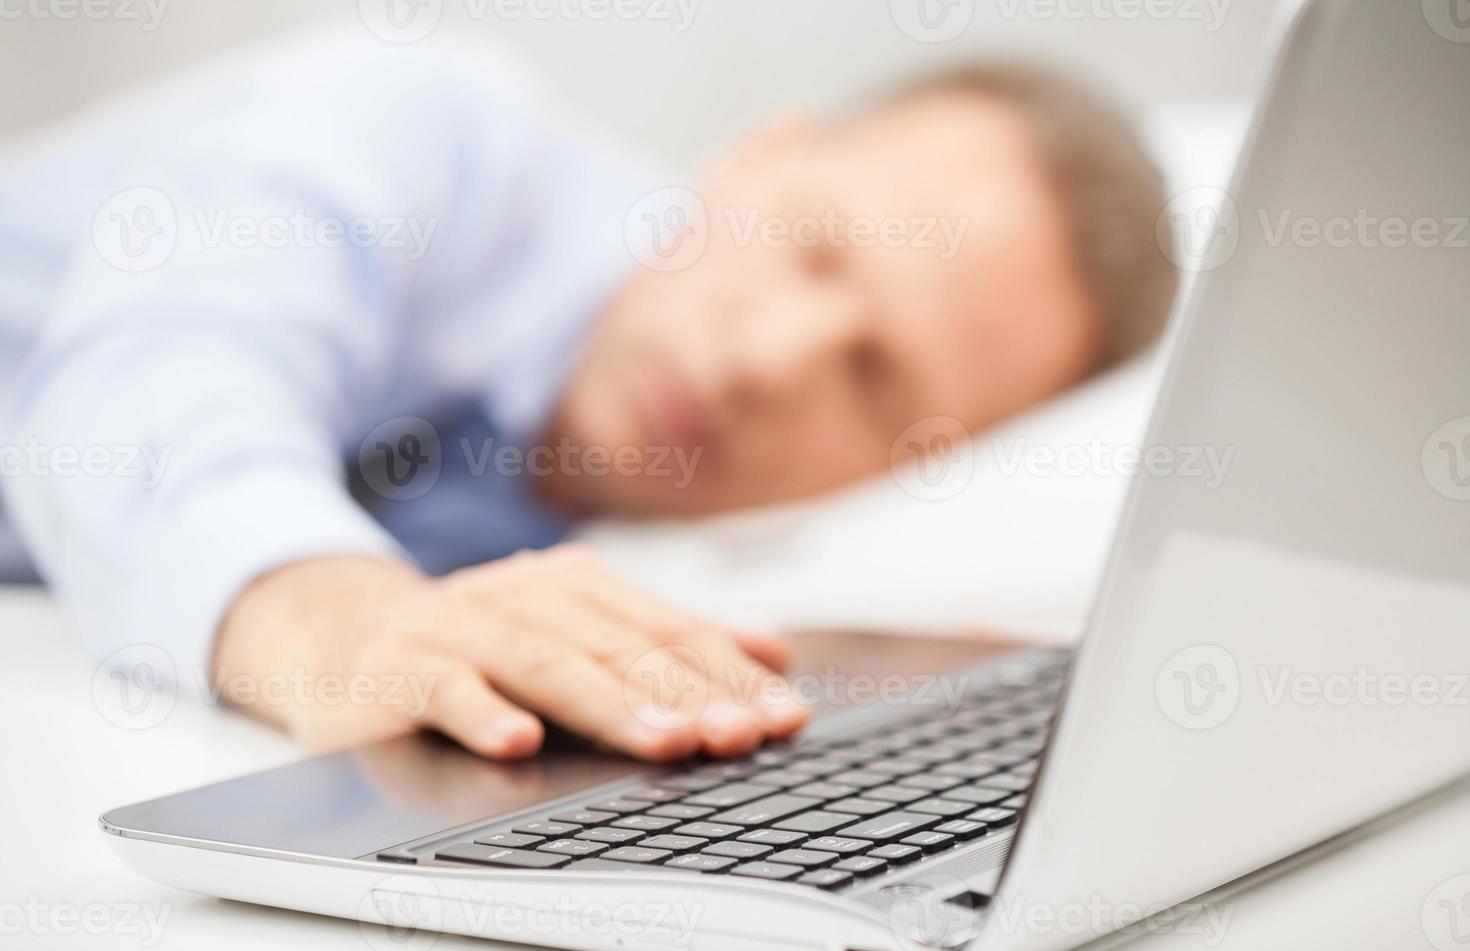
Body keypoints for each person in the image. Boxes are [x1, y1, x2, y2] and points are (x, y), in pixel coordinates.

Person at [0, 29, 1175, 763]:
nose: (768, 361)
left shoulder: (687, 562)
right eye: (816, 250)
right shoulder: (421, 123)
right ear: (757, 156)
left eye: (875, 380)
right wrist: (327, 618)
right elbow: (158, 365)